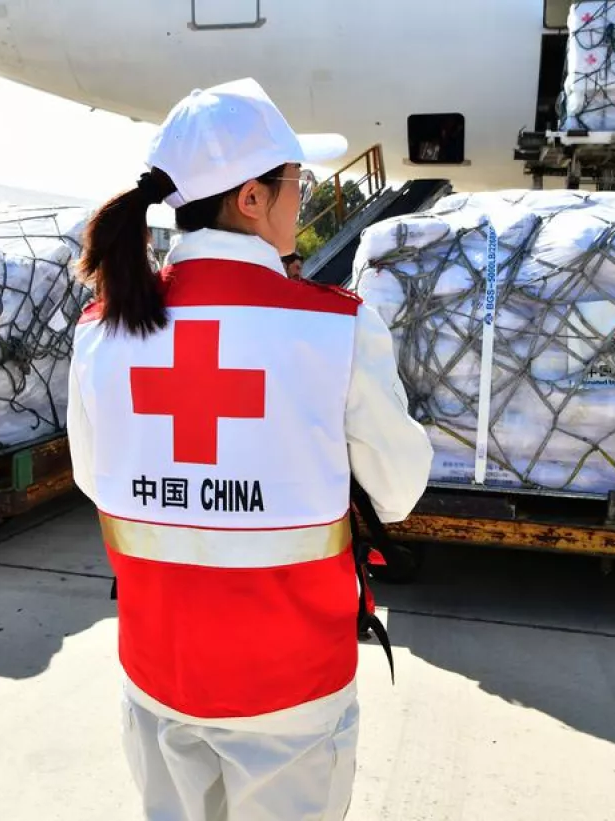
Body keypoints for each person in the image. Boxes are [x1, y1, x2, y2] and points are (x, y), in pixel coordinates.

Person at [68, 78, 433, 821]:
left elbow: (95, 479)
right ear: (252, 198)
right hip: (291, 690)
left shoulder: (102, 329)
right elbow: (398, 492)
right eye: (298, 182)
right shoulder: (336, 327)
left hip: (158, 674)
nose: (304, 199)